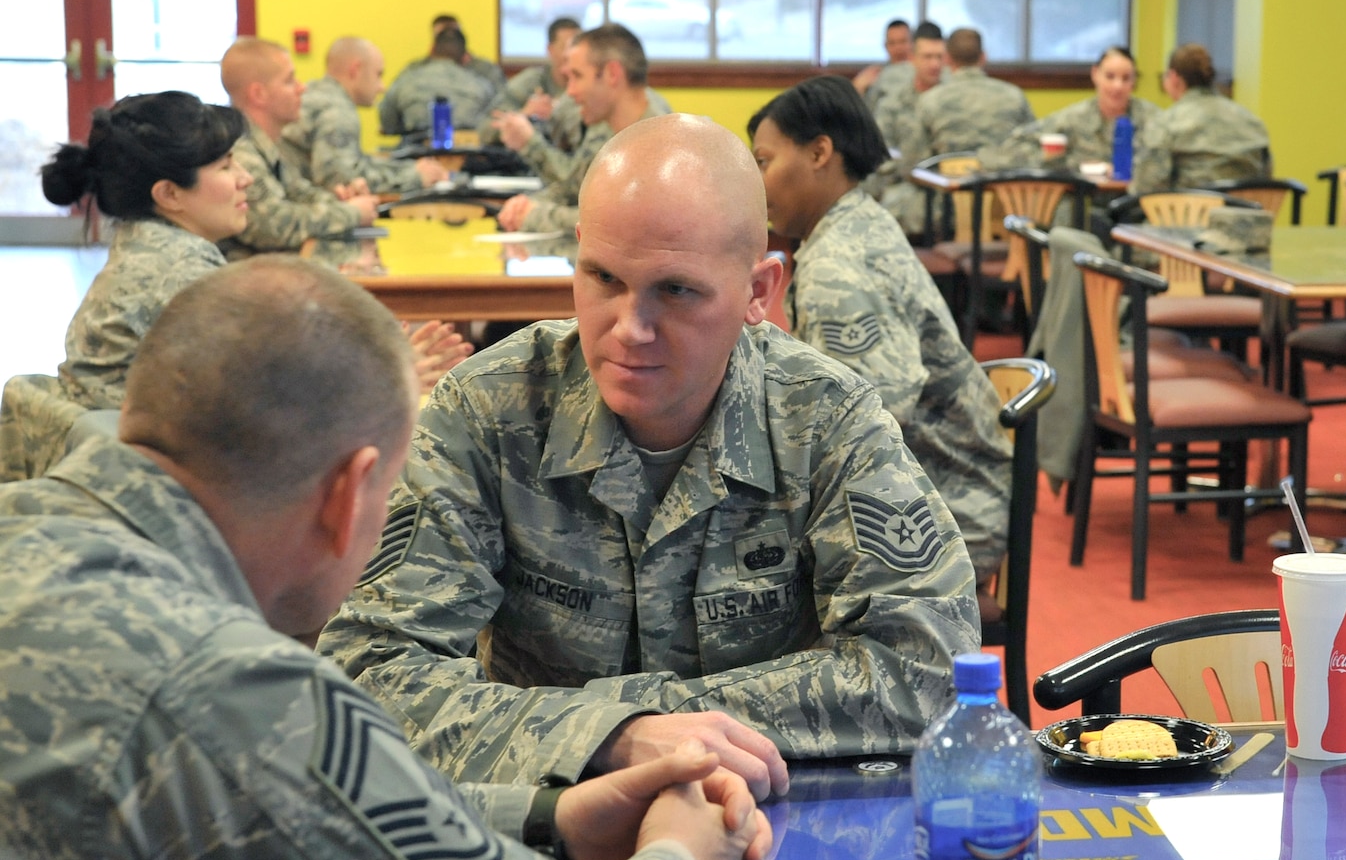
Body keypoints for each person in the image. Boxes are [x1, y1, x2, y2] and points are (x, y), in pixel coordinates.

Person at [0, 256, 770, 860]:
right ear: (349, 492)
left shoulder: (36, 532)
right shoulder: (223, 687)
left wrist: (547, 819)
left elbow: (277, 812)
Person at [318, 114, 978, 790]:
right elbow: (365, 675)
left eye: (676, 290)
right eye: (603, 278)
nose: (630, 329)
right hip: (541, 820)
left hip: (770, 814)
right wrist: (611, 737)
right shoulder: (489, 411)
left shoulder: (824, 420)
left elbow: (929, 672)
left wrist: (637, 723)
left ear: (758, 292)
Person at [0, 93, 471, 484]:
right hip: (166, 485)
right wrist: (391, 387)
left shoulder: (149, 246)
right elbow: (273, 412)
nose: (246, 178)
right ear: (169, 194)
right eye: (226, 167)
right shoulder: (182, 272)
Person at [751, 76, 1012, 579]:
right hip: (938, 489)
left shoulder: (838, 264)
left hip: (942, 512)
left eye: (764, 162)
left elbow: (868, 423)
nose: (757, 182)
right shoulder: (857, 221)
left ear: (819, 152)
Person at [495, 23, 673, 234]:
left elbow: (617, 225)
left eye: (577, 76)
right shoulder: (603, 126)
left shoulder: (657, 143)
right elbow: (574, 188)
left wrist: (535, 215)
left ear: (612, 74)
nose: (570, 92)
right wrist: (524, 205)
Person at [220, 37, 376, 255]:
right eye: (289, 81)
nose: (302, 88)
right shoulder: (241, 154)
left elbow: (299, 192)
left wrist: (342, 198)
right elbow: (272, 227)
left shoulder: (268, 145)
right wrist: (351, 213)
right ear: (259, 94)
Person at [287, 36, 452, 198]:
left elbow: (355, 163)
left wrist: (409, 169)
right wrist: (414, 177)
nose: (382, 87)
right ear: (355, 70)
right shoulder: (337, 110)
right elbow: (340, 178)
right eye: (378, 74)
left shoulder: (318, 93)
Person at [989, 45, 1160, 183]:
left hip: (1137, 205)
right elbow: (1013, 146)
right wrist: (1065, 162)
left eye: (1126, 78)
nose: (1118, 86)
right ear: (1095, 74)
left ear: (1134, 81)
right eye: (1110, 76)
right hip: (1085, 203)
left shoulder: (1153, 120)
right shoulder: (1073, 118)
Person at [1134, 43, 1273, 197]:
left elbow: (1145, 189)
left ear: (1173, 78)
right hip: (1246, 211)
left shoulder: (1166, 123)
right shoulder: (1253, 122)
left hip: (1188, 211)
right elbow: (1267, 180)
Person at [909, 27, 1034, 164]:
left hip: (948, 176)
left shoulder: (930, 101)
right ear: (983, 57)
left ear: (947, 58)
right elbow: (1031, 147)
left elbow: (915, 160)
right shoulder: (1014, 96)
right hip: (1001, 176)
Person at [868, 20, 946, 235]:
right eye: (927, 57)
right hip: (904, 182)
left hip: (950, 185)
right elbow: (880, 152)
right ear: (912, 58)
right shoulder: (893, 103)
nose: (934, 64)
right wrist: (904, 168)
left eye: (939, 57)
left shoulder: (953, 100)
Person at [481, 15, 583, 158]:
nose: (570, 55)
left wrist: (559, 114)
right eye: (565, 48)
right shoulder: (531, 82)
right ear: (550, 49)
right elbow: (485, 130)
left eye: (577, 48)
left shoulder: (591, 85)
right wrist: (524, 115)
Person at [377, 24, 500, 138]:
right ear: (465, 58)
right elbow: (493, 124)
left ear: (432, 50)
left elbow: (387, 123)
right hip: (468, 151)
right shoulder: (482, 86)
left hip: (415, 150)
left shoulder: (405, 81)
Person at [854, 17, 912, 102]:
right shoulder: (875, 75)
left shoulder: (923, 74)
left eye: (902, 41)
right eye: (892, 43)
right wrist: (858, 87)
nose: (898, 48)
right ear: (885, 46)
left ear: (913, 43)